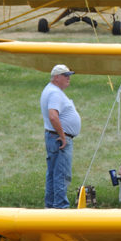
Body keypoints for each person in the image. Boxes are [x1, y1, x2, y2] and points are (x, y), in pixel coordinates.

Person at [40, 64, 81, 208]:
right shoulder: (55, 93)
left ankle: (50, 206)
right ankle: (60, 207)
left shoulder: (51, 90)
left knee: (52, 173)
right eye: (66, 76)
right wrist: (63, 136)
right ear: (57, 78)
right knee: (61, 175)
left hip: (53, 137)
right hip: (58, 139)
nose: (69, 78)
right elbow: (53, 116)